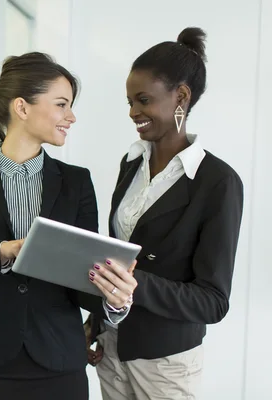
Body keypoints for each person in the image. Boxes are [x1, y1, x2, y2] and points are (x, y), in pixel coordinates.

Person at [0, 52, 138, 400]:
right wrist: (4, 252)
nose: (71, 117)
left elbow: (81, 286)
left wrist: (114, 299)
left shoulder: (77, 183)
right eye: (61, 104)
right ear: (22, 108)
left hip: (61, 364)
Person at [85, 27, 244, 400]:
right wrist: (96, 322)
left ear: (181, 97)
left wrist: (134, 285)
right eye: (129, 101)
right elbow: (117, 252)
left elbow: (213, 300)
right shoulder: (131, 163)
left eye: (142, 100)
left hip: (166, 363)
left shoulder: (217, 182)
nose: (132, 112)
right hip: (111, 349)